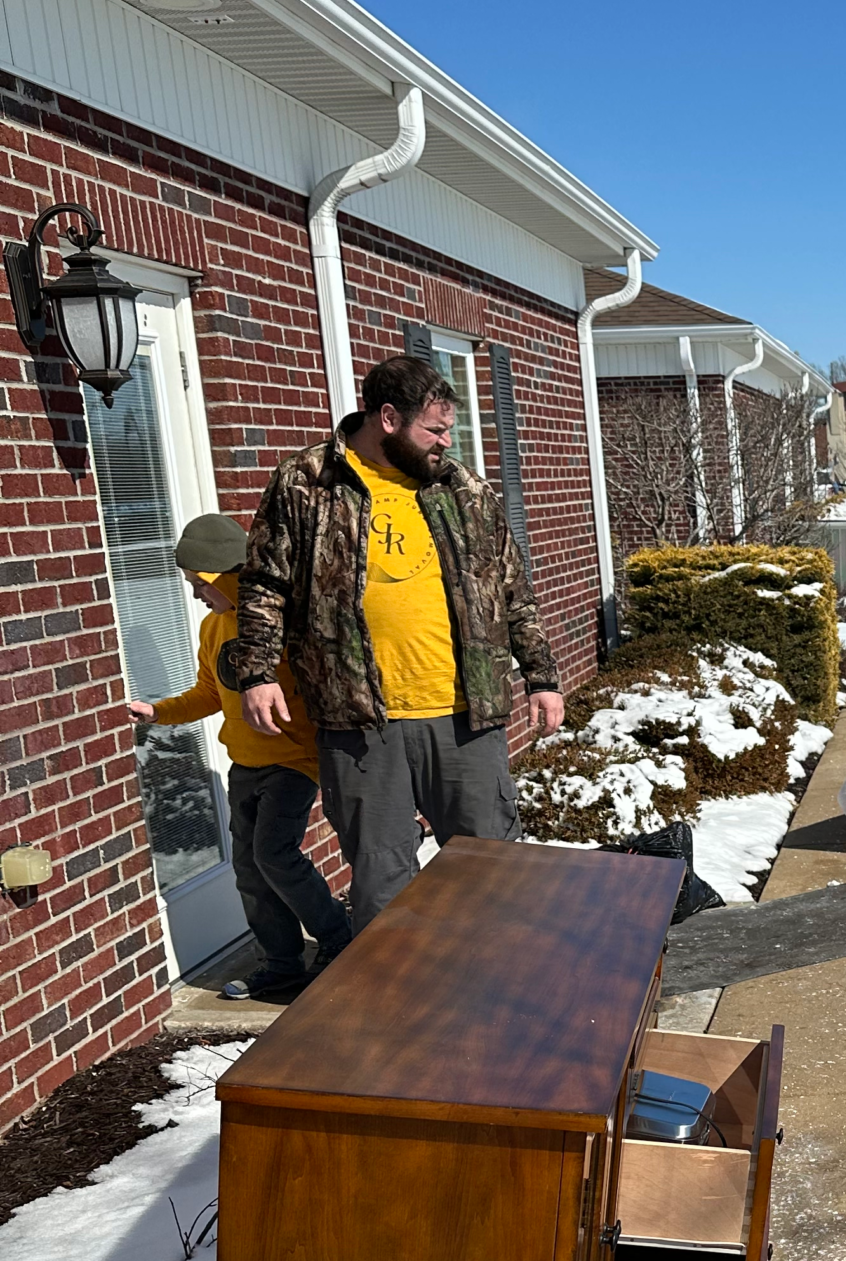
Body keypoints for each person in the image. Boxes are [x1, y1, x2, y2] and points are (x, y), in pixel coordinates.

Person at [234, 353, 565, 933]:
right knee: (382, 882)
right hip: (360, 719)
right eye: (433, 430)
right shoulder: (306, 483)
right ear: (388, 417)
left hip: (466, 711)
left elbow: (512, 588)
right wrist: (257, 673)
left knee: (493, 868)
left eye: (449, 431)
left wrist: (542, 677)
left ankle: (499, 1001)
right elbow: (265, 581)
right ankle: (401, 1015)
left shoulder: (465, 490)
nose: (444, 443)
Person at [128, 512, 350, 1000]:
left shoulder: (276, 623)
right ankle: (281, 963)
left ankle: (338, 937)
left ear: (221, 574)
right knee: (249, 867)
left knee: (274, 853)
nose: (194, 594)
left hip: (294, 761)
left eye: (198, 583)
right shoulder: (213, 629)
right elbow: (210, 692)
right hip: (245, 764)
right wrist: (158, 712)